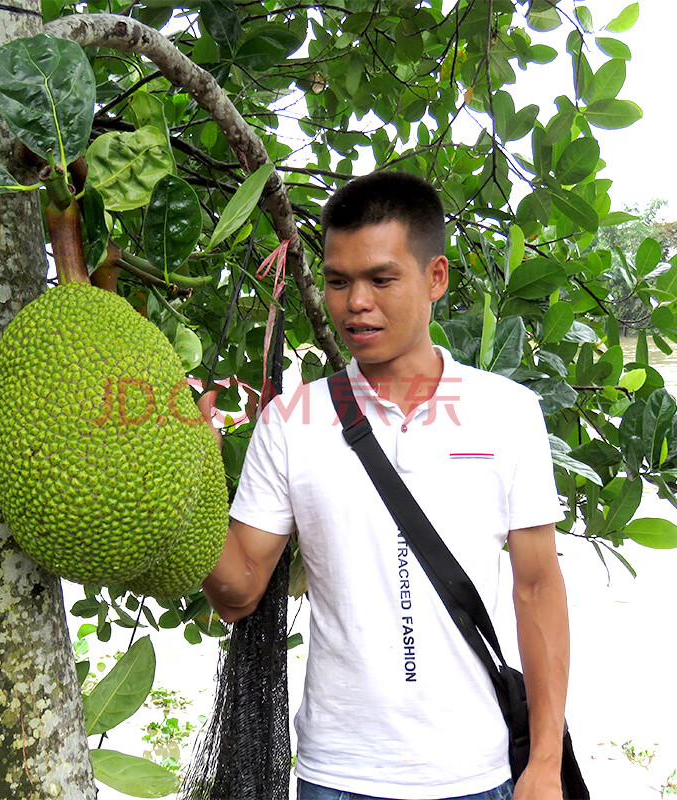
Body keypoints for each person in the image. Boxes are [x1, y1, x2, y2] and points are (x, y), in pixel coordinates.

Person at [201, 170, 569, 800]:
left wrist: (544, 763)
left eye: (380, 279)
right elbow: (236, 594)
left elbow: (537, 588)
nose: (355, 303)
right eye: (339, 281)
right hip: (338, 774)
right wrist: (196, 477)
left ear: (436, 278)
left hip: (477, 772)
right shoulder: (292, 421)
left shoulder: (506, 413)